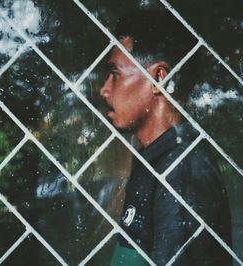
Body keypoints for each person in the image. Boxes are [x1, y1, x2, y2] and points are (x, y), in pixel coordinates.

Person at [99, 10, 232, 265]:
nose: (104, 89)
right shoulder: (160, 158)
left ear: (159, 78)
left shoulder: (181, 170)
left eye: (115, 73)